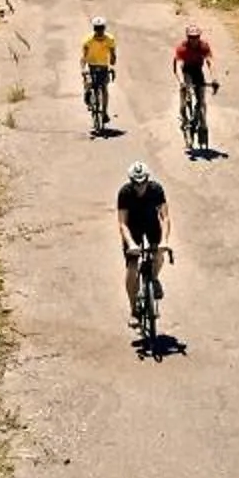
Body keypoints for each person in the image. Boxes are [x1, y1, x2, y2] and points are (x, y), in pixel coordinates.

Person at [115, 159, 169, 306]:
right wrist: (131, 243)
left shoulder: (156, 190)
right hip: (133, 228)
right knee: (132, 267)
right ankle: (133, 306)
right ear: (131, 181)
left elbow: (165, 218)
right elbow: (122, 223)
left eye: (143, 182)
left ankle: (154, 277)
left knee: (159, 255)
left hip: (151, 224)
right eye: (136, 183)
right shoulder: (124, 193)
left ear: (148, 179)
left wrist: (164, 241)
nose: (140, 186)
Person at [79, 18, 116, 126]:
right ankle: (87, 94)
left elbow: (113, 55)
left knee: (104, 88)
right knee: (89, 82)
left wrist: (113, 59)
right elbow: (84, 57)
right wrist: (83, 69)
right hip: (91, 65)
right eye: (97, 29)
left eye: (101, 28)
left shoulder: (110, 39)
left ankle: (104, 113)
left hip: (103, 66)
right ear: (94, 29)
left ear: (104, 28)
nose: (99, 31)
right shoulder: (88, 40)